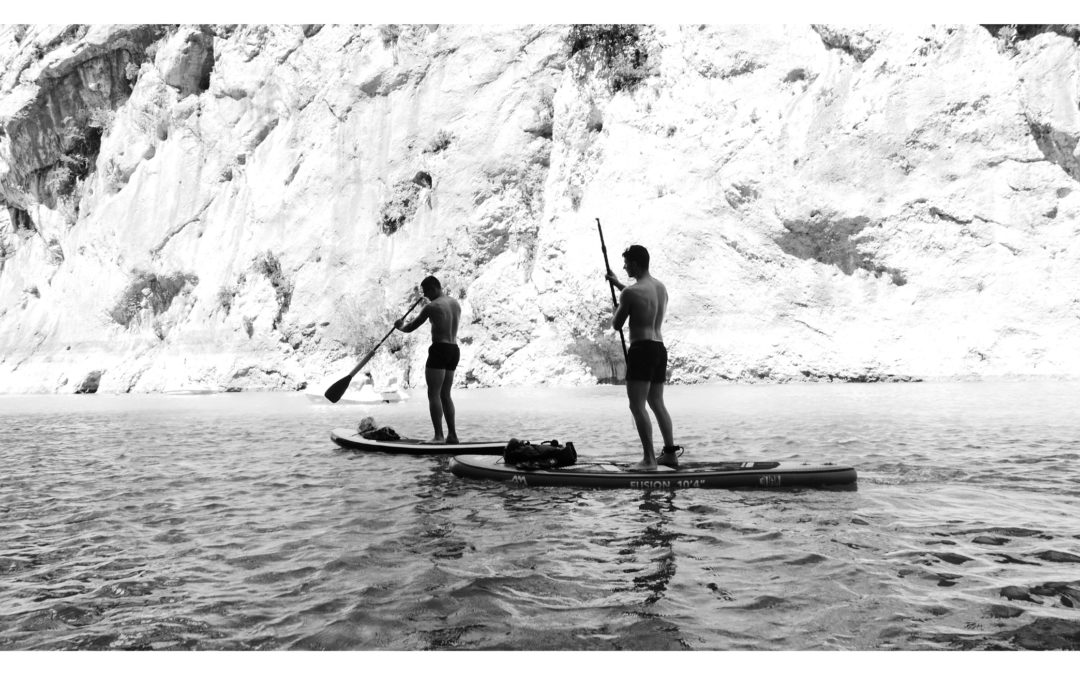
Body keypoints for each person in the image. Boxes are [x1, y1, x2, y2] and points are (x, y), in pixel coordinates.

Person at [606, 245, 682, 470]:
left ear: (636, 264)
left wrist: (619, 301)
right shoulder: (660, 288)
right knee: (657, 402)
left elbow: (617, 324)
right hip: (659, 348)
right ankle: (670, 454)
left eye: (627, 263)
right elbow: (642, 299)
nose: (624, 267)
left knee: (637, 406)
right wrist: (619, 285)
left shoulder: (630, 293)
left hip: (641, 350)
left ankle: (649, 460)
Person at [394, 275, 461, 443]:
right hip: (454, 350)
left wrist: (399, 326)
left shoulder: (432, 307)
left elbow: (410, 327)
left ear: (433, 288)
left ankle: (438, 436)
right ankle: (452, 435)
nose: (426, 296)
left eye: (427, 292)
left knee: (434, 394)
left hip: (439, 349)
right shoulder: (455, 304)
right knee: (446, 394)